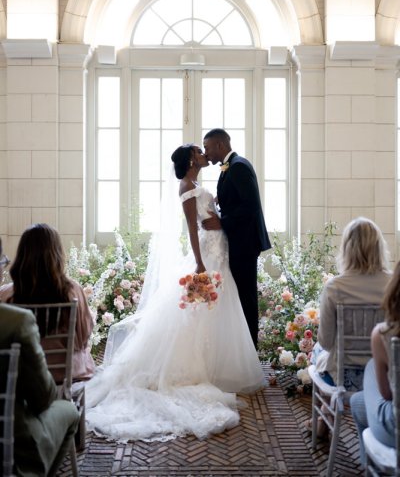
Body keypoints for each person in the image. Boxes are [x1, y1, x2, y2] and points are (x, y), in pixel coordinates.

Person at [84, 144, 265, 442]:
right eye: (199, 150)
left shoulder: (196, 184)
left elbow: (207, 215)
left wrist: (217, 206)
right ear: (192, 159)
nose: (204, 153)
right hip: (207, 251)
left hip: (220, 248)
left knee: (217, 309)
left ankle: (217, 365)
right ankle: (199, 368)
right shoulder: (185, 186)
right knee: (204, 310)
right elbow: (193, 229)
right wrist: (197, 261)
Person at [0, 237, 80, 477]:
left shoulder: (7, 296)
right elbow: (43, 398)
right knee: (69, 410)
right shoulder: (14, 322)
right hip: (14, 439)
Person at [307, 217, 390, 437]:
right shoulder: (393, 285)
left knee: (318, 352)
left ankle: (326, 413)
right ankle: (327, 413)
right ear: (378, 247)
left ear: (347, 249)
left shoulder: (336, 287)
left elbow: (325, 341)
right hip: (386, 374)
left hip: (344, 376)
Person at [0, 223, 95, 382]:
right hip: (65, 373)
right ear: (57, 254)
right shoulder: (73, 291)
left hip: (20, 375)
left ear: (22, 255)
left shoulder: (5, 294)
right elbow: (84, 337)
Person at [202, 128, 271, 348]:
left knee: (246, 298)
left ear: (220, 146)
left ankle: (251, 350)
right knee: (239, 296)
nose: (207, 153)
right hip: (238, 241)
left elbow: (250, 207)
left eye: (208, 148)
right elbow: (238, 201)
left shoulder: (239, 166)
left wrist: (222, 222)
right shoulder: (230, 167)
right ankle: (242, 348)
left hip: (245, 243)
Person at [350, 259, 400, 466]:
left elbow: (387, 394)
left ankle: (370, 466)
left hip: (395, 430)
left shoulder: (385, 334)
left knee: (370, 369)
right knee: (357, 401)